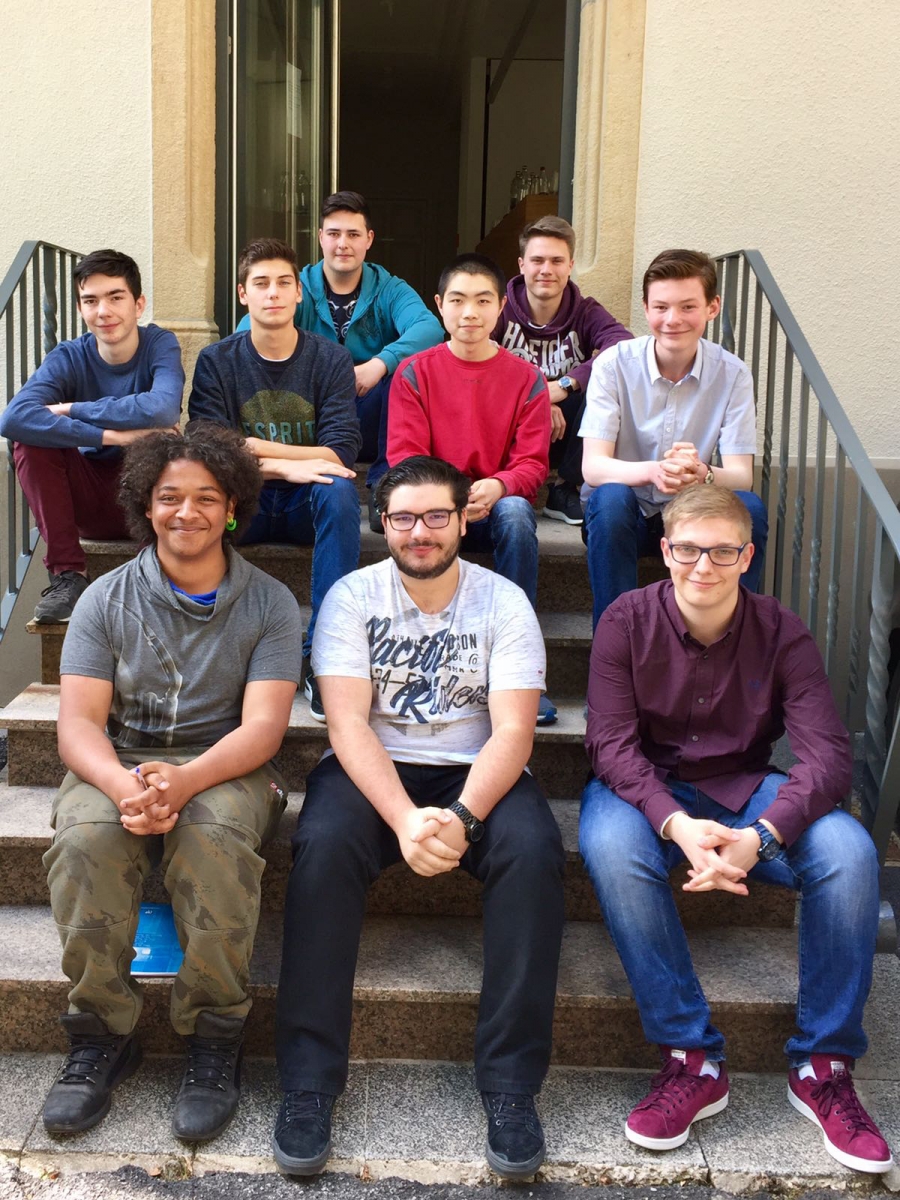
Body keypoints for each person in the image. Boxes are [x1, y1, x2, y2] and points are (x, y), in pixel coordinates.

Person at [579, 485, 892, 1174]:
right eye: (689, 549)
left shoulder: (782, 630)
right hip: (645, 791)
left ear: (747, 556)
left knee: (849, 850)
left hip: (745, 790)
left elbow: (828, 757)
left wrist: (761, 836)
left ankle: (823, 1066)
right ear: (665, 551)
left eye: (723, 551)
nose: (704, 565)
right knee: (608, 844)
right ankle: (691, 1057)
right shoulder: (625, 621)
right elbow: (609, 745)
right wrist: (674, 823)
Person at [273, 455, 565, 1180]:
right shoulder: (352, 596)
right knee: (322, 844)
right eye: (403, 518)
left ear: (464, 520)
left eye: (437, 515)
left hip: (477, 768)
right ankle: (308, 1083)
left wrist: (463, 816)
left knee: (534, 852)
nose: (420, 531)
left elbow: (514, 732)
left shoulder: (504, 601)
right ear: (383, 524)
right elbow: (346, 724)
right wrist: (406, 820)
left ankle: (511, 1086)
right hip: (375, 765)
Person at [40, 422, 302, 1143]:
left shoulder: (270, 603)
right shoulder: (103, 600)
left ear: (232, 507)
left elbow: (263, 729)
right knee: (87, 838)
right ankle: (100, 1033)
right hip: (120, 756)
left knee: (212, 837)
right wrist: (122, 785)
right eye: (169, 497)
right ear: (145, 506)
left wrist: (184, 782)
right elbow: (78, 726)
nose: (187, 512)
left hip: (227, 764)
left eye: (206, 497)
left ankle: (215, 1036)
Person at [189, 237, 361, 721]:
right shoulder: (218, 361)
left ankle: (325, 654)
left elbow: (340, 452)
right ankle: (204, 649)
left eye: (284, 283)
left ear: (300, 293)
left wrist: (249, 447)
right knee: (199, 497)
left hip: (306, 507)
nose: (273, 293)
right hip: (245, 506)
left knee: (340, 491)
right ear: (243, 294)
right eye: (261, 283)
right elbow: (207, 446)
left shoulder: (330, 359)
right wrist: (285, 466)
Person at [387, 253, 557, 724]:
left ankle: (521, 672)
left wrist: (500, 485)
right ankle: (424, 666)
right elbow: (406, 458)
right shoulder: (414, 372)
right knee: (419, 516)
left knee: (518, 515)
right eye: (458, 300)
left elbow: (533, 463)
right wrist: (453, 499)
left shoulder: (527, 379)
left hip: (496, 505)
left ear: (501, 307)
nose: (470, 313)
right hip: (438, 505)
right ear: (439, 305)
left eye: (483, 301)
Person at [579, 248, 768, 628]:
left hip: (694, 518)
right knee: (610, 499)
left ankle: (731, 637)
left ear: (712, 308)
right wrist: (654, 471)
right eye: (661, 307)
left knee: (749, 508)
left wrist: (702, 474)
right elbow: (593, 467)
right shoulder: (613, 365)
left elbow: (741, 476)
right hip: (625, 517)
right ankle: (615, 640)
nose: (672, 320)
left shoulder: (732, 374)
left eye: (687, 307)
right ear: (646, 308)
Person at [237, 191, 443, 526]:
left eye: (353, 234)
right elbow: (247, 333)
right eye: (334, 233)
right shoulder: (298, 287)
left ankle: (384, 486)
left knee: (404, 375)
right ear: (320, 238)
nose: (343, 244)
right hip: (314, 416)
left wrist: (380, 363)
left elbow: (429, 328)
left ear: (369, 239)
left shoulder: (388, 287)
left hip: (369, 406)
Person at [0, 249, 184, 622]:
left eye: (115, 297)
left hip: (146, 499)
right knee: (30, 441)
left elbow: (163, 409)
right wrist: (113, 437)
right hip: (88, 497)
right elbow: (13, 418)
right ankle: (69, 575)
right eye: (90, 300)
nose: (103, 311)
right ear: (81, 308)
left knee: (162, 446)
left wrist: (72, 408)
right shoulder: (68, 356)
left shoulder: (159, 345)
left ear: (138, 304)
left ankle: (154, 569)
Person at [492, 214, 632, 525]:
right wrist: (539, 396)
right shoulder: (500, 309)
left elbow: (623, 346)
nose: (546, 269)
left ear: (570, 266)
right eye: (537, 260)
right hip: (513, 425)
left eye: (556, 261)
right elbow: (476, 358)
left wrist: (566, 385)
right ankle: (502, 481)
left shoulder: (585, 310)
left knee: (609, 383)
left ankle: (564, 488)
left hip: (565, 433)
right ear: (521, 265)